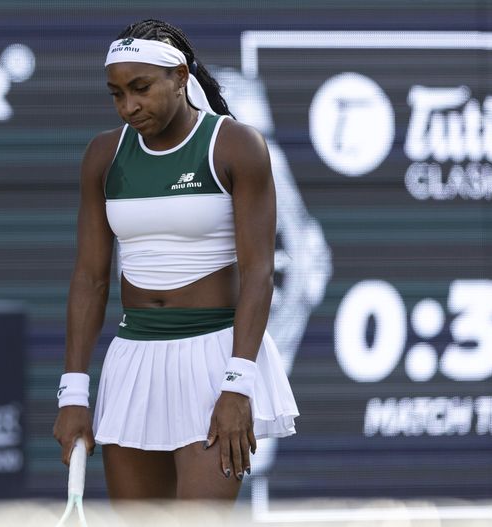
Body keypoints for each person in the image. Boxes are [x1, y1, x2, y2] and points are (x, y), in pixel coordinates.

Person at [53, 18, 299, 501]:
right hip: (133, 361)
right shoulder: (103, 155)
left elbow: (259, 274)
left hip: (215, 360)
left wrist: (238, 385)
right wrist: (74, 393)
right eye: (117, 94)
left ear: (181, 77)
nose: (129, 106)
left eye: (141, 88)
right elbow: (89, 280)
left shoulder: (236, 146)